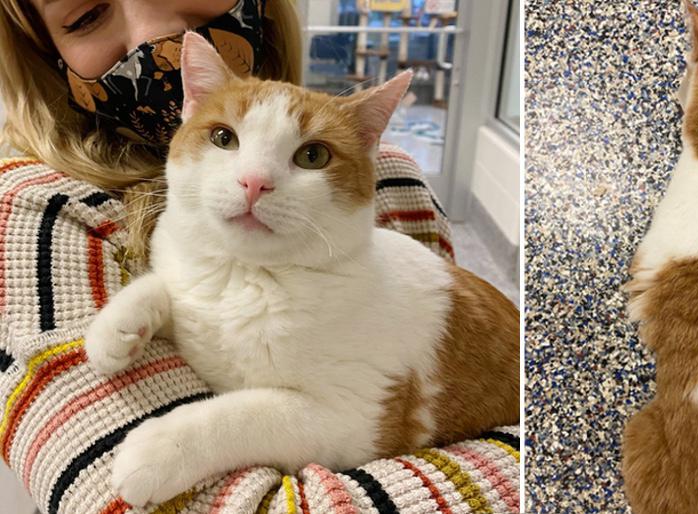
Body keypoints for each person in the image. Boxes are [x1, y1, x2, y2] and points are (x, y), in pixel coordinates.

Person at [0, 1, 517, 512]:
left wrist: (199, 436)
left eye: (310, 155)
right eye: (85, 14)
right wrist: (159, 300)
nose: (255, 181)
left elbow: (352, 424)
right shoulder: (38, 216)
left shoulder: (396, 192)